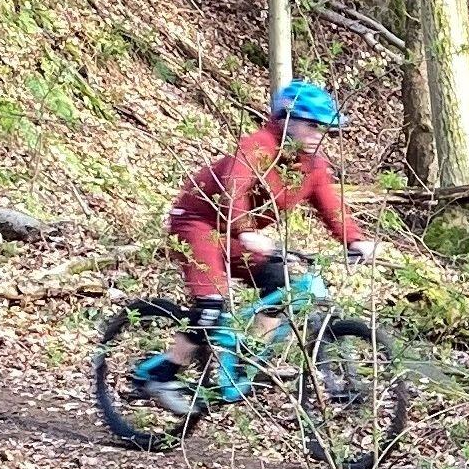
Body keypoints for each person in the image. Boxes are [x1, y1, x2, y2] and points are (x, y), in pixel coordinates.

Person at [142, 82, 376, 415]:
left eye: (324, 129)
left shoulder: (312, 166)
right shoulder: (258, 147)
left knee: (281, 283)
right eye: (312, 125)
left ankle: (246, 357)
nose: (318, 135)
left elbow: (330, 204)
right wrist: (247, 231)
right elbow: (234, 185)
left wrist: (355, 239)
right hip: (197, 223)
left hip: (237, 234)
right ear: (286, 119)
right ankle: (162, 375)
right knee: (211, 304)